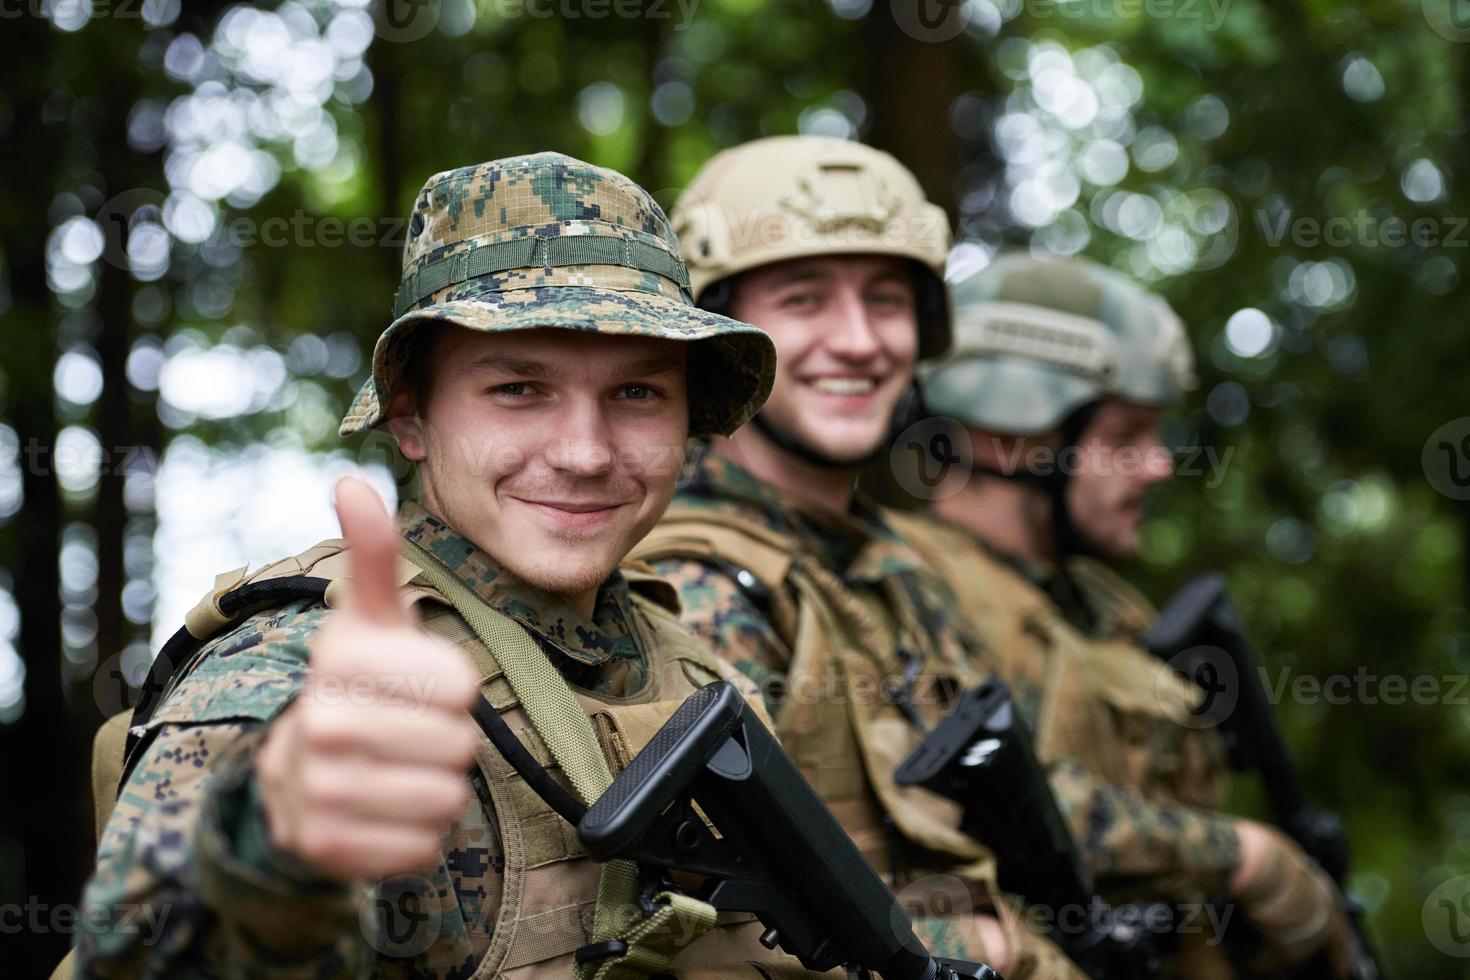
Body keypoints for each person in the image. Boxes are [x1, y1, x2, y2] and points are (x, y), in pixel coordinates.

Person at [74, 152, 828, 978]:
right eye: (518, 389)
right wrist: (267, 845)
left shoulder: (672, 650)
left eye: (637, 394)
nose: (584, 453)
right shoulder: (297, 665)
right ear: (411, 420)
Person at [632, 135, 1085, 980]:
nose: (858, 341)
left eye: (887, 300)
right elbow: (720, 929)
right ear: (723, 335)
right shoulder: (690, 579)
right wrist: (1001, 950)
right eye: (804, 300)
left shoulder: (893, 565)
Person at [887, 252, 1350, 977]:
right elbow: (993, 800)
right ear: (1014, 437)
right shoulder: (901, 587)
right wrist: (1243, 857)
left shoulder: (1106, 608)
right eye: (1125, 439)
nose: (1159, 465)